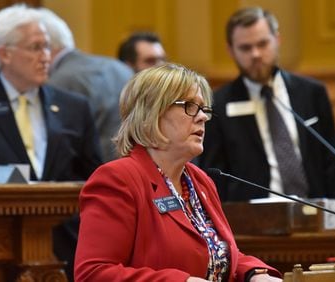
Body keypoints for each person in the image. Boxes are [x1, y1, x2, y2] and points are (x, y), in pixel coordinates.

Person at [74, 63, 282, 281]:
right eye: (190, 106)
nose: (202, 117)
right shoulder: (118, 179)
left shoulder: (199, 181)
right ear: (151, 113)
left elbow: (216, 252)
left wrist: (253, 273)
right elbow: (93, 273)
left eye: (203, 108)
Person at [199, 7, 335, 201]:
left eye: (262, 44)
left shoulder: (312, 93)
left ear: (277, 40)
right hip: (253, 220)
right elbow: (214, 177)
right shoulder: (218, 104)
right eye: (245, 48)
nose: (256, 54)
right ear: (231, 51)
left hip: (316, 210)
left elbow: (332, 163)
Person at [0, 4, 102, 182]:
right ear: (5, 54)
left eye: (47, 47)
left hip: (63, 209)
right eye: (36, 47)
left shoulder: (74, 107)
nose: (45, 57)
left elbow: (94, 178)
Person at [38, 8, 134, 162]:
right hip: (136, 169)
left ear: (48, 44)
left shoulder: (59, 81)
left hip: (94, 173)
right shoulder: (120, 67)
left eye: (37, 46)